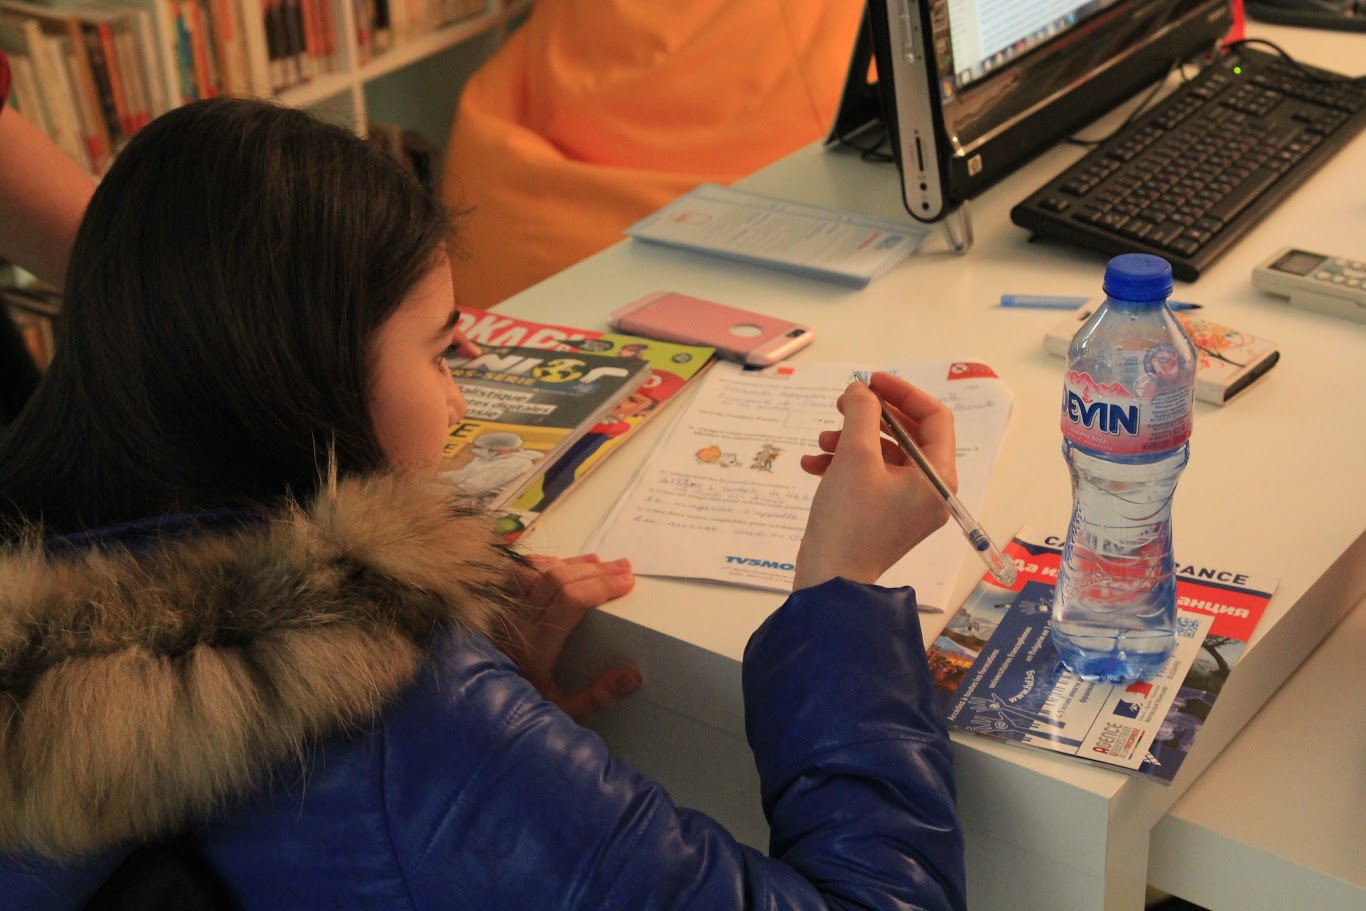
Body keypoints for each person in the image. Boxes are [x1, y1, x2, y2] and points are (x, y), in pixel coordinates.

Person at [0, 97, 967, 910]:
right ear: (303, 382)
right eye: (438, 349)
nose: (461, 398)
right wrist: (843, 590)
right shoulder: (403, 718)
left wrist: (502, 757)